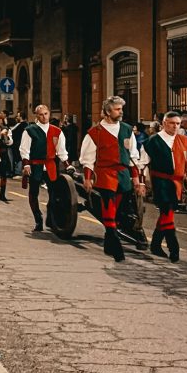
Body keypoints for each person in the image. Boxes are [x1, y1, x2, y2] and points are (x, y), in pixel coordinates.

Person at [79, 95, 145, 262]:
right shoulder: (94, 133)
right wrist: (87, 179)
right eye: (117, 109)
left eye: (121, 109)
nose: (121, 112)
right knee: (108, 209)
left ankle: (109, 244)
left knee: (116, 211)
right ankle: (116, 249)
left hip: (123, 176)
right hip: (105, 175)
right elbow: (88, 159)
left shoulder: (127, 130)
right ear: (107, 112)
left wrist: (136, 180)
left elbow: (133, 157)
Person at [140, 111, 187, 262]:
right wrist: (141, 182)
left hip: (177, 183)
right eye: (172, 123)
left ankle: (156, 244)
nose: (175, 126)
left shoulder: (185, 141)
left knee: (168, 212)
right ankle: (174, 248)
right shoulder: (152, 141)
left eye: (178, 124)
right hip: (160, 182)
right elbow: (142, 162)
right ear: (164, 123)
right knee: (167, 210)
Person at [20, 104, 67, 232]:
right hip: (35, 166)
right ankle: (38, 219)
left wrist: (67, 165)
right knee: (33, 193)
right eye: (41, 114)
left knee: (54, 193)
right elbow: (24, 149)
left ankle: (51, 217)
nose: (44, 117)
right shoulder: (30, 130)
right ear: (36, 115)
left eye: (46, 114)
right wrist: (26, 164)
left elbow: (61, 151)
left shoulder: (57, 131)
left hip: (51, 166)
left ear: (49, 114)